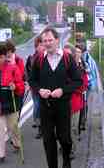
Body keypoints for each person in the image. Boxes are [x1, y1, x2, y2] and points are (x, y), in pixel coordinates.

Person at [30, 27, 82, 168]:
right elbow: (32, 80)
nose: (47, 43)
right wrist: (40, 90)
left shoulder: (67, 58)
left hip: (63, 107)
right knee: (48, 140)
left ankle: (66, 162)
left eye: (50, 40)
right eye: (44, 41)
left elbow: (78, 81)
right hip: (45, 107)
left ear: (57, 40)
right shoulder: (39, 59)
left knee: (65, 138)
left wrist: (63, 90)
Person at [70, 44, 89, 158]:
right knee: (64, 128)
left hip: (76, 101)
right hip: (64, 102)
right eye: (75, 52)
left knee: (73, 127)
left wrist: (76, 88)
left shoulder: (82, 68)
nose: (77, 54)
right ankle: (66, 145)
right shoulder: (66, 67)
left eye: (78, 52)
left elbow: (84, 84)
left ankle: (72, 149)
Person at [25, 36, 44, 139]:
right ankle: (38, 124)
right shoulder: (31, 58)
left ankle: (42, 126)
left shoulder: (48, 57)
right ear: (36, 47)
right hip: (35, 87)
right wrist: (28, 83)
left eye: (43, 45)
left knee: (44, 108)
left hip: (46, 87)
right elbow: (27, 72)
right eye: (40, 45)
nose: (42, 47)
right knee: (37, 105)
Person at [78, 43, 98, 130]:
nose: (80, 54)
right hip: (80, 86)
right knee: (82, 103)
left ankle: (83, 122)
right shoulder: (77, 59)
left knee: (84, 103)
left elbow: (93, 72)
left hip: (88, 85)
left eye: (80, 52)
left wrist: (85, 69)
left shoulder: (89, 60)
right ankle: (81, 122)